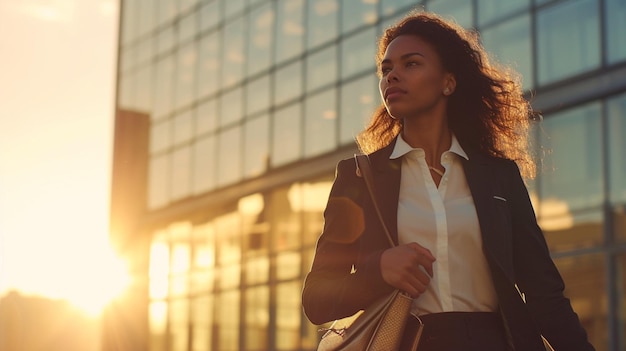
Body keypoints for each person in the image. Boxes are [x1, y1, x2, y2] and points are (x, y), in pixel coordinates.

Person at [302, 10, 595, 351]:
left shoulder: (498, 177)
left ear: (448, 82)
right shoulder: (359, 179)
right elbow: (316, 298)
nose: (392, 76)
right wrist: (380, 270)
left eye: (410, 64)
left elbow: (545, 295)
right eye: (386, 69)